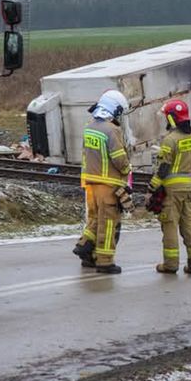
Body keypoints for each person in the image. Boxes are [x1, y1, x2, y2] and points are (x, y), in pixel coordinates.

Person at [72, 89, 131, 274]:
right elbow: (119, 158)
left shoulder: (89, 127)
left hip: (90, 183)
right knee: (108, 222)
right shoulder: (112, 130)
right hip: (108, 185)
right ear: (113, 109)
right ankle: (105, 261)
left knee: (95, 219)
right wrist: (127, 170)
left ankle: (85, 247)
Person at [147, 99, 191, 275]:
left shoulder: (169, 140)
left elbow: (163, 168)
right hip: (188, 188)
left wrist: (151, 188)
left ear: (171, 119)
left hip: (171, 189)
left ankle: (170, 264)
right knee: (188, 226)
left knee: (169, 224)